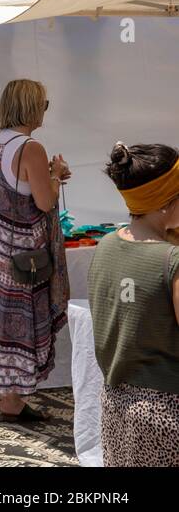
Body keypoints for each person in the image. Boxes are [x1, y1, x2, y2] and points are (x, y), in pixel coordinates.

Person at [0, 78, 71, 422]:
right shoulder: (31, 147)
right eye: (44, 104)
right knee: (17, 324)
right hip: (20, 254)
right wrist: (56, 174)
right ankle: (12, 403)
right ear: (31, 107)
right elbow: (45, 200)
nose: (45, 111)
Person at [89, 142, 179, 466]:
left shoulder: (104, 247)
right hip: (167, 415)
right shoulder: (171, 260)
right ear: (166, 203)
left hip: (115, 407)